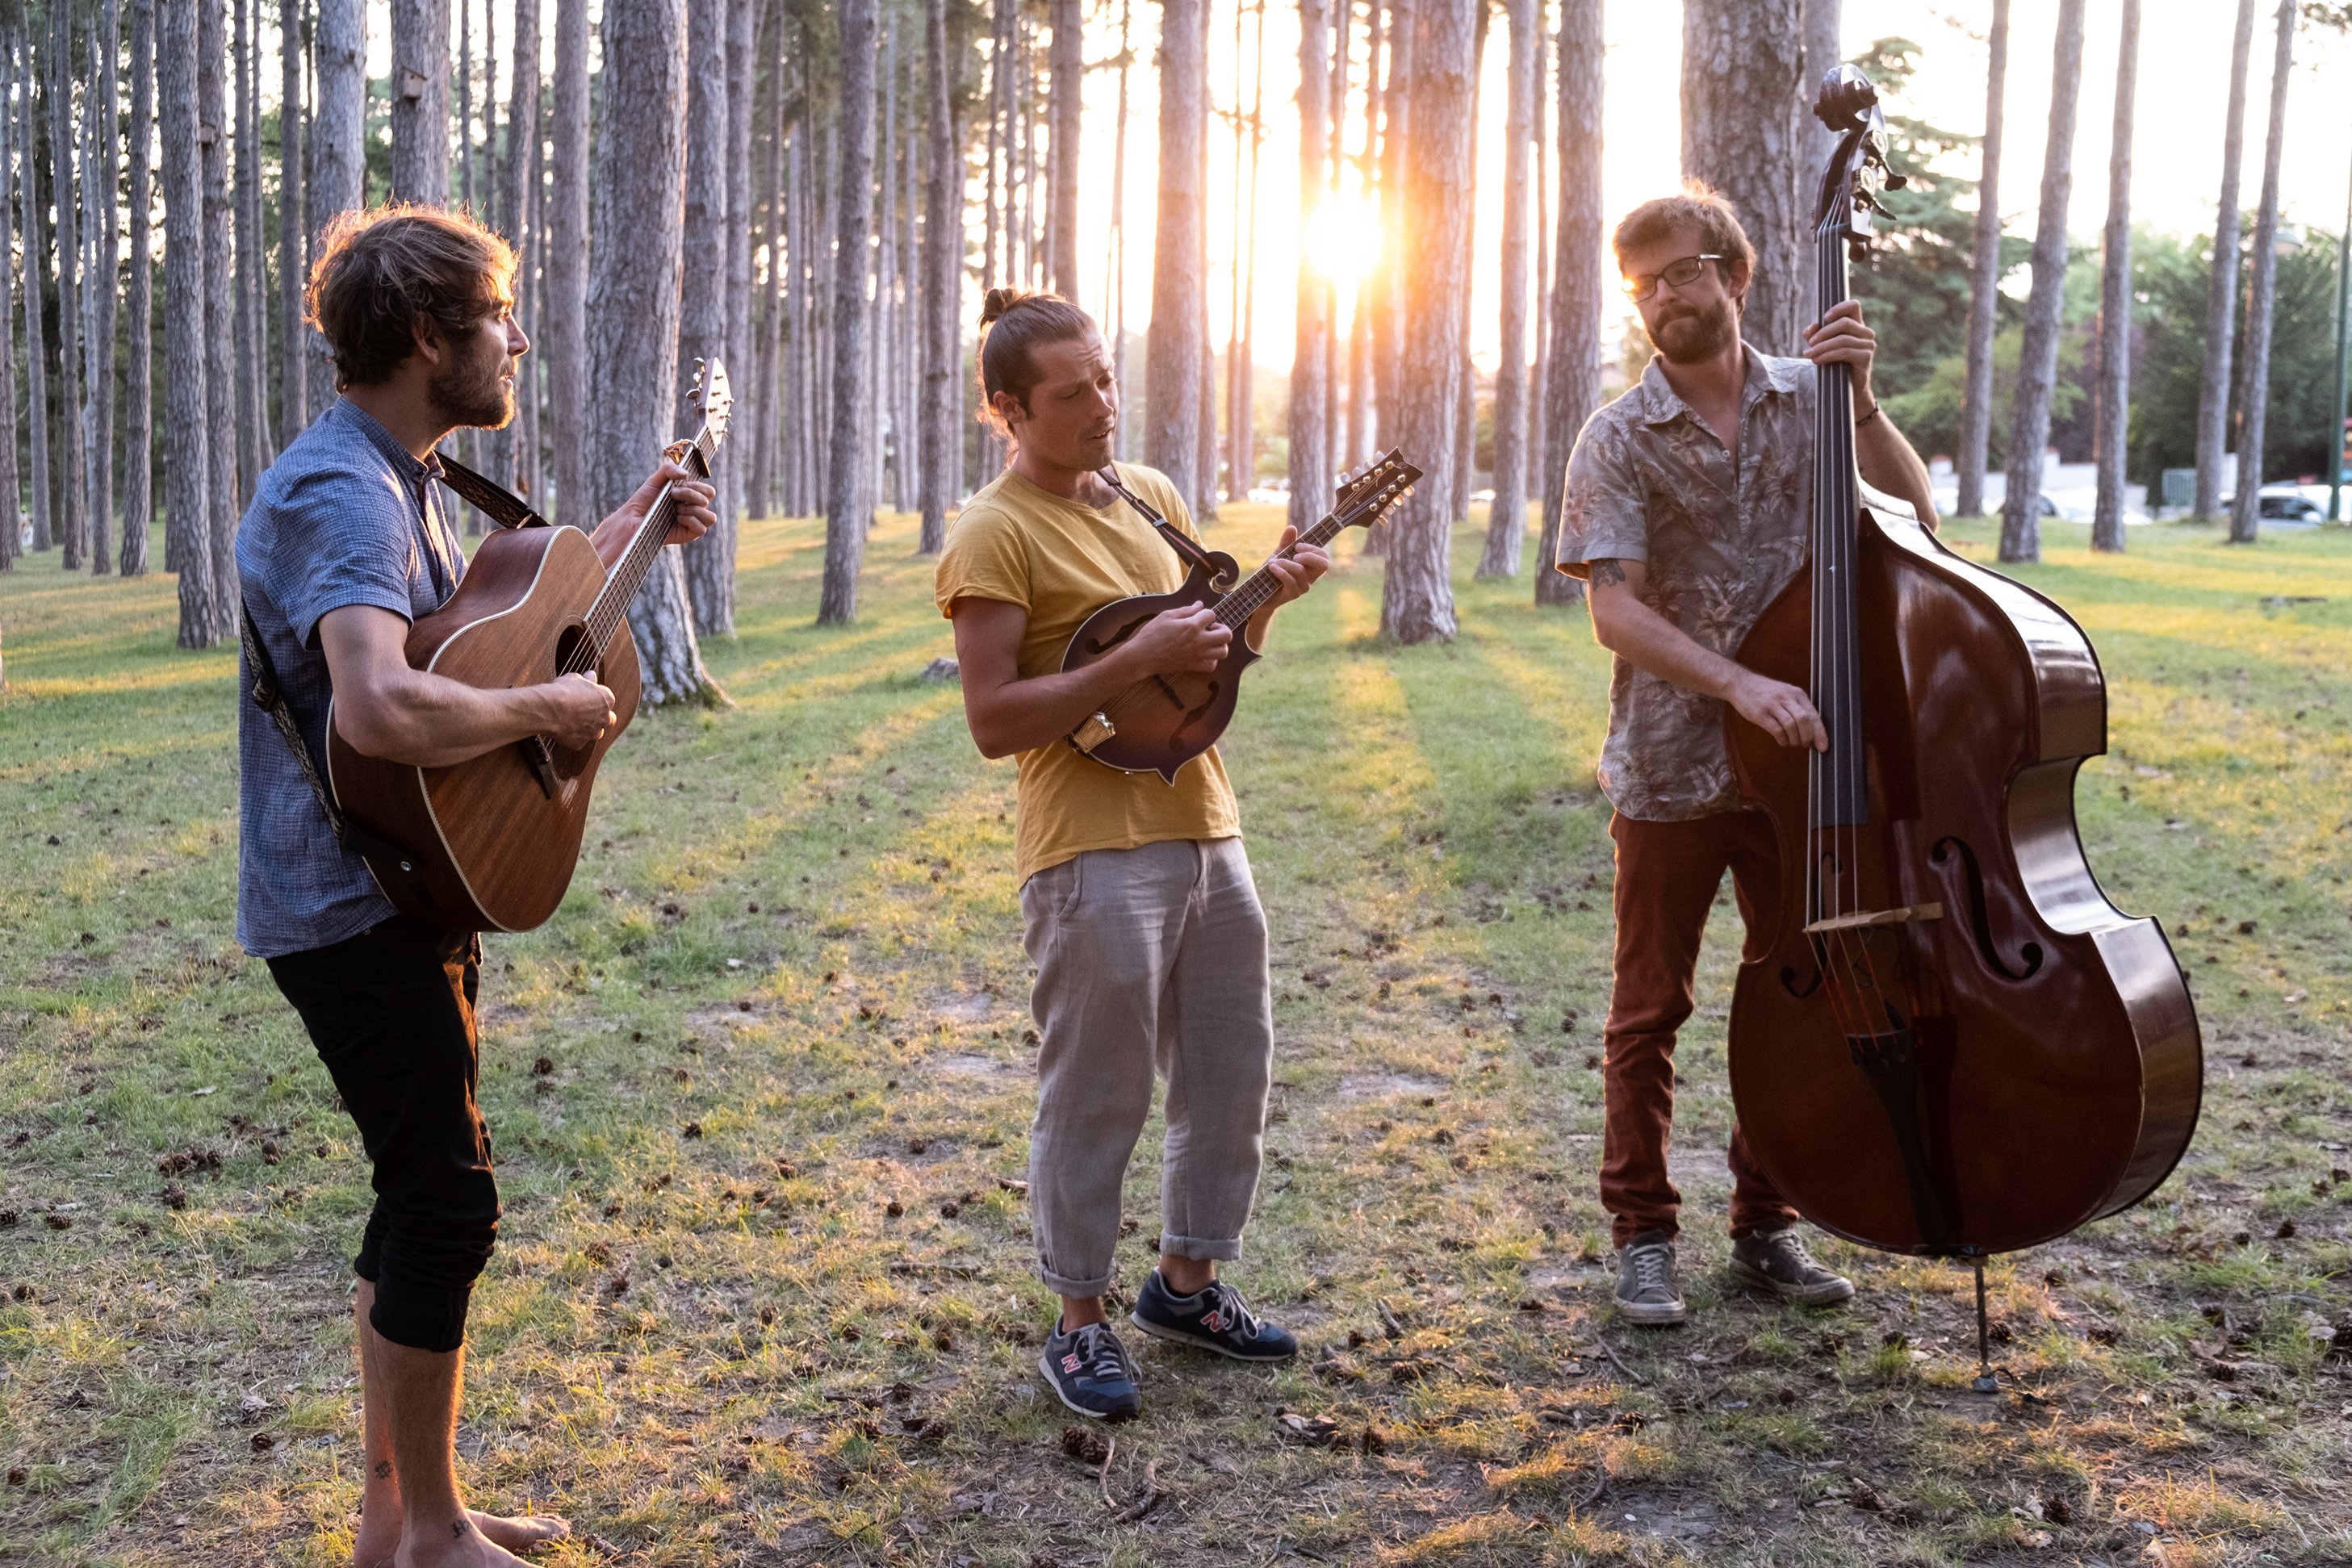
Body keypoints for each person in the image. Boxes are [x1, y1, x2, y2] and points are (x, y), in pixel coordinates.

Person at [236, 205, 714, 1567]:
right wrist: (547, 715)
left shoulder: (404, 476)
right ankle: (430, 1533)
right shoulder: (342, 488)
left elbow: (472, 639)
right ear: (432, 335)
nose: (517, 338)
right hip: (348, 904)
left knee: (414, 1197)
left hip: (409, 882)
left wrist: (626, 534)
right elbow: (383, 709)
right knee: (447, 1204)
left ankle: (400, 1512)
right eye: (499, 316)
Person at [934, 289, 1328, 1420]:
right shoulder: (991, 532)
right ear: (1005, 409)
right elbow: (995, 719)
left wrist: (1264, 604)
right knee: (1096, 1091)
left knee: (1227, 1070)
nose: (1102, 405)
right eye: (1071, 394)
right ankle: (1079, 1321)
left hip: (1205, 824)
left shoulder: (1149, 498)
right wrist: (1127, 660)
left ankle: (1187, 1286)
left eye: (1105, 379)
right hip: (1087, 853)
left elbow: (1196, 668)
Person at [1553, 186, 1939, 1328]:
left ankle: (1767, 1223)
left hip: (1804, 768)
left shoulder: (1814, 398)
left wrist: (1863, 400)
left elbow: (1914, 519)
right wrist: (1738, 684)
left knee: (1798, 999)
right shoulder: (1615, 436)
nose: (1664, 298)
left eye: (1683, 271)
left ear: (1735, 273)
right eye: (1644, 285)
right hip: (1670, 767)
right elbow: (1612, 613)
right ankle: (1641, 1235)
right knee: (1646, 1013)